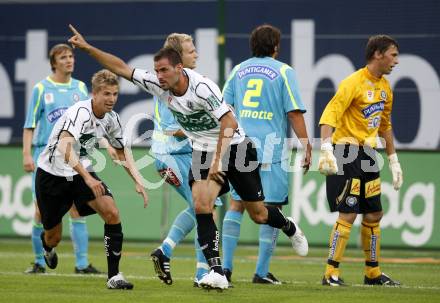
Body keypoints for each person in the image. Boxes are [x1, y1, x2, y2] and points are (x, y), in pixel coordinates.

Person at [68, 24, 309, 290]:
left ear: (179, 69)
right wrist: (88, 48)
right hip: (203, 150)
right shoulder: (159, 85)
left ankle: (287, 225)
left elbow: (229, 122)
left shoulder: (203, 88)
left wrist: (218, 160)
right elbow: (121, 68)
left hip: (236, 147)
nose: (158, 76)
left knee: (259, 214)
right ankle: (216, 271)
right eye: (156, 70)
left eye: (163, 70)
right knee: (201, 204)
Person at [35, 69, 148, 289]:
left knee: (111, 212)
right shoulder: (80, 113)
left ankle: (113, 276)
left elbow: (123, 152)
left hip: (80, 171)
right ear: (94, 94)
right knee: (54, 236)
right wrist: (87, 178)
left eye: (115, 94)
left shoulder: (112, 119)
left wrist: (138, 180)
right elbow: (63, 146)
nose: (111, 99)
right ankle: (47, 246)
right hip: (52, 174)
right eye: (106, 94)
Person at [221, 24, 312, 285]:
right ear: (275, 47)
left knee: (237, 205)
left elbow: (224, 107)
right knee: (272, 207)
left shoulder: (238, 70)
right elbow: (294, 112)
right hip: (271, 150)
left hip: (240, 147)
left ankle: (225, 270)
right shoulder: (284, 71)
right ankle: (261, 272)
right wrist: (306, 145)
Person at [318, 35, 403, 286]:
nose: (396, 61)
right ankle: (330, 272)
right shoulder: (352, 83)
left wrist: (393, 159)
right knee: (349, 213)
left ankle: (373, 273)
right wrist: (325, 148)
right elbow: (329, 115)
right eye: (393, 54)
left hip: (369, 155)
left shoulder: (386, 88)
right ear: (378, 54)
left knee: (375, 213)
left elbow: (385, 125)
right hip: (347, 152)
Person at [149, 33, 222, 287]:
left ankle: (178, 258)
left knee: (203, 207)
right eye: (191, 51)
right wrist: (215, 124)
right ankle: (200, 271)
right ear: (179, 59)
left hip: (174, 157)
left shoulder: (183, 84)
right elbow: (172, 128)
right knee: (205, 208)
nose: (197, 54)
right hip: (173, 156)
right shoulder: (173, 89)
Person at [22, 43, 101, 274]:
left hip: (71, 158)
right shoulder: (41, 89)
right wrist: (27, 154)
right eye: (63, 57)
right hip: (45, 158)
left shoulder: (79, 88)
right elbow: (30, 125)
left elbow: (87, 123)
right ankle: (39, 261)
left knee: (78, 207)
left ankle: (82, 264)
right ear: (54, 62)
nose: (69, 60)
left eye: (71, 56)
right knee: (41, 211)